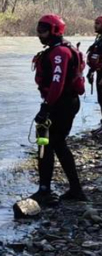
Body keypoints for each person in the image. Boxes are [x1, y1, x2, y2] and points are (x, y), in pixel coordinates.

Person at [30, 14, 87, 203]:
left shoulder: (60, 53)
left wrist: (46, 107)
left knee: (45, 143)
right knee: (58, 144)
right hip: (63, 103)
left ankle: (45, 190)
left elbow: (57, 83)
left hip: (60, 104)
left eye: (43, 31)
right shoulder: (59, 49)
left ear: (54, 31)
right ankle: (75, 190)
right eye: (38, 30)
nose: (39, 35)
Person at [86, 15, 102, 131]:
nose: (95, 25)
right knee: (100, 99)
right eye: (95, 22)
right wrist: (91, 71)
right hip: (98, 73)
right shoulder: (99, 39)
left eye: (98, 23)